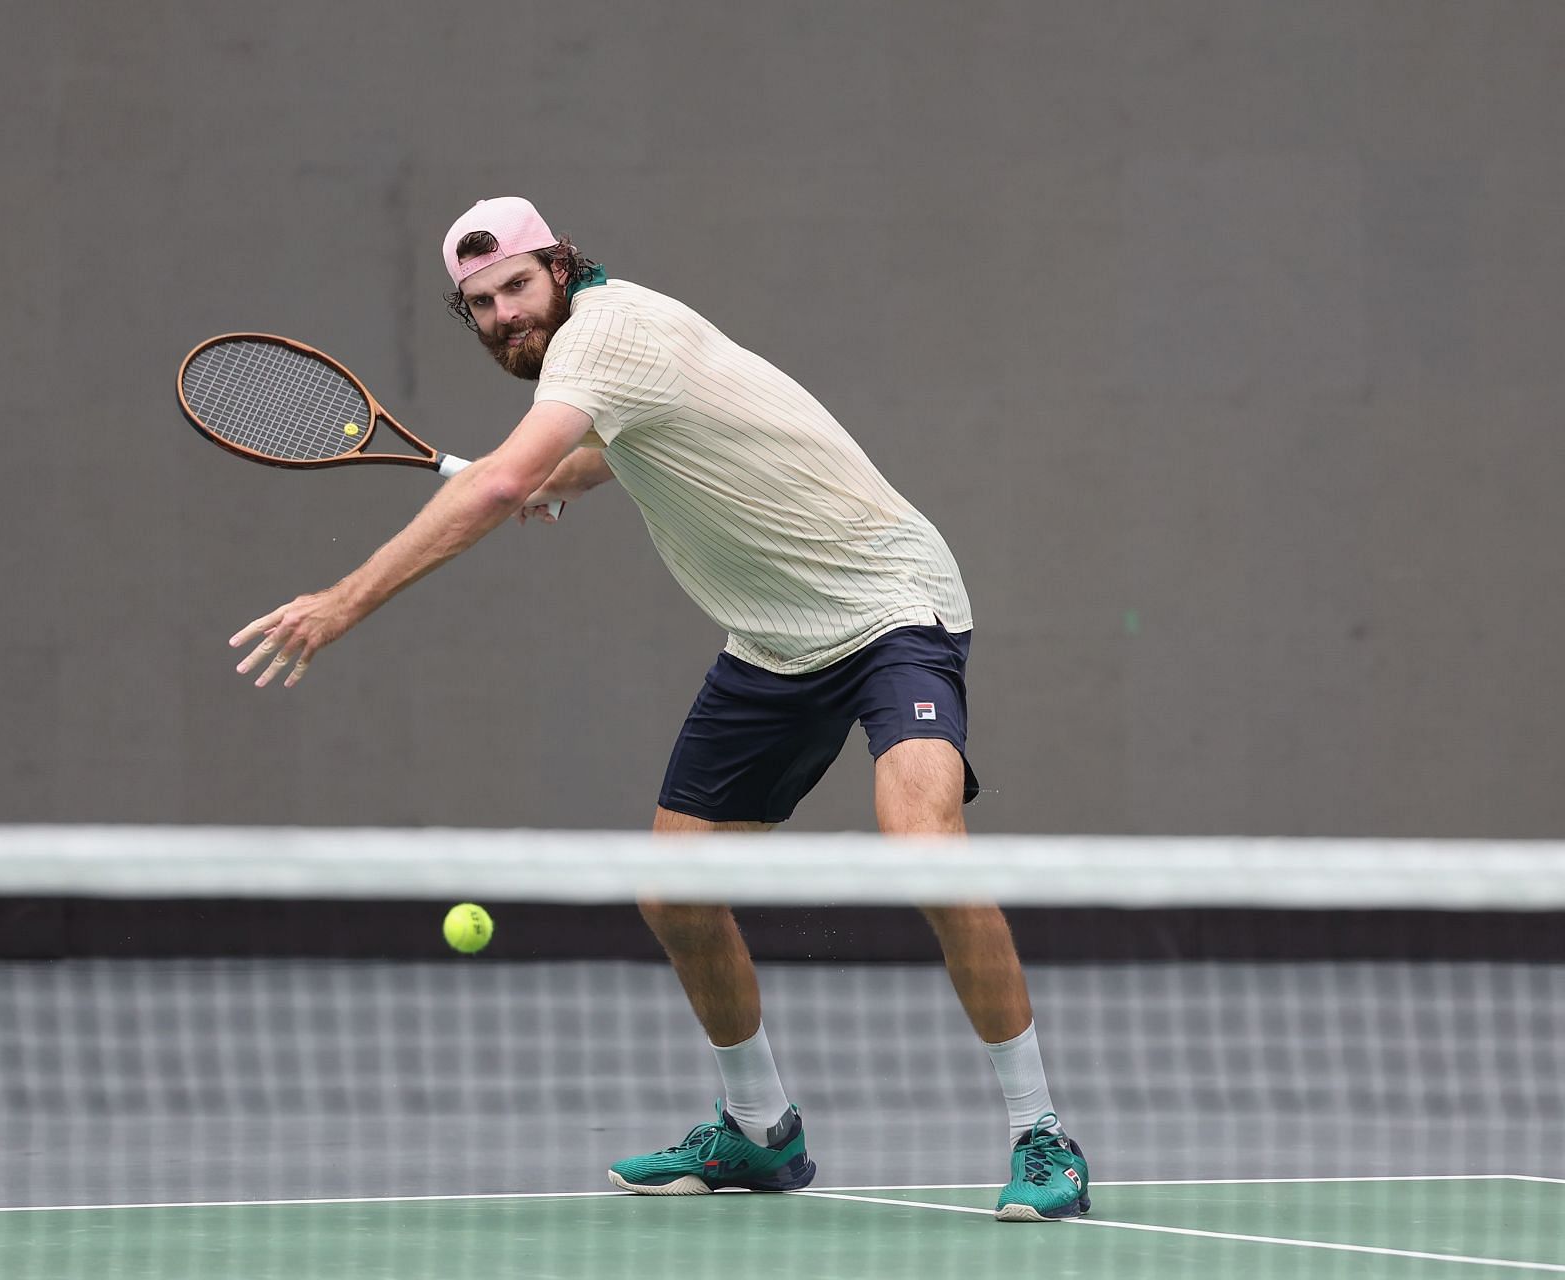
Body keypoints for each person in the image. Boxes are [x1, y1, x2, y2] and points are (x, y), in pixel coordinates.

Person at [230, 196, 1089, 1221]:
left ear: (560, 265)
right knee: (674, 894)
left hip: (889, 608)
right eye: (481, 303)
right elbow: (625, 449)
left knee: (924, 849)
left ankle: (1041, 1132)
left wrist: (340, 602)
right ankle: (761, 1131)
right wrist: (570, 476)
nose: (505, 313)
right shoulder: (594, 353)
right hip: (772, 640)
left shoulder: (604, 334)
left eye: (516, 285)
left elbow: (503, 483)